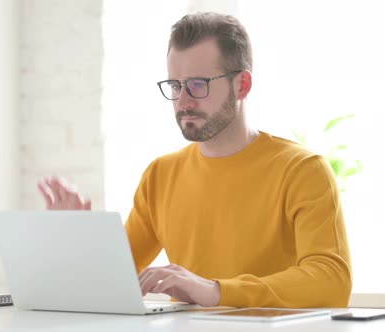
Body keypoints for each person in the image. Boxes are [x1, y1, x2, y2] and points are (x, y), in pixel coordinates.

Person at [37, 12, 351, 308]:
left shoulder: (302, 170)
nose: (184, 101)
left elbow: (331, 280)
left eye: (198, 85)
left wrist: (215, 290)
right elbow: (111, 280)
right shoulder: (161, 174)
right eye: (176, 85)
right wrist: (76, 237)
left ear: (242, 85)